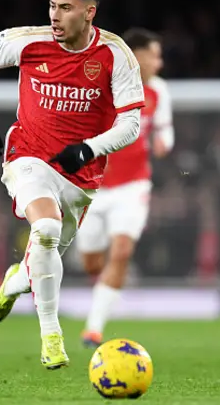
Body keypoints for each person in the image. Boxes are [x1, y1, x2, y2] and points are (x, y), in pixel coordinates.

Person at [0, 0, 145, 369]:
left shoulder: (115, 54)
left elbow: (131, 123)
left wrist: (87, 149)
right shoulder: (30, 41)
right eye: (51, 6)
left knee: (41, 261)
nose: (54, 16)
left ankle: (14, 285)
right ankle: (51, 336)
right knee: (44, 228)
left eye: (65, 8)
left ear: (89, 13)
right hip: (28, 155)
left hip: (80, 176)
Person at [76, 28, 175, 347]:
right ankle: (104, 289)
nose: (159, 63)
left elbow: (164, 129)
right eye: (155, 56)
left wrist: (164, 141)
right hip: (92, 188)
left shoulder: (158, 91)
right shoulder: (103, 84)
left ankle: (93, 328)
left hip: (133, 186)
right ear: (137, 55)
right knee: (91, 262)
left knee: (121, 252)